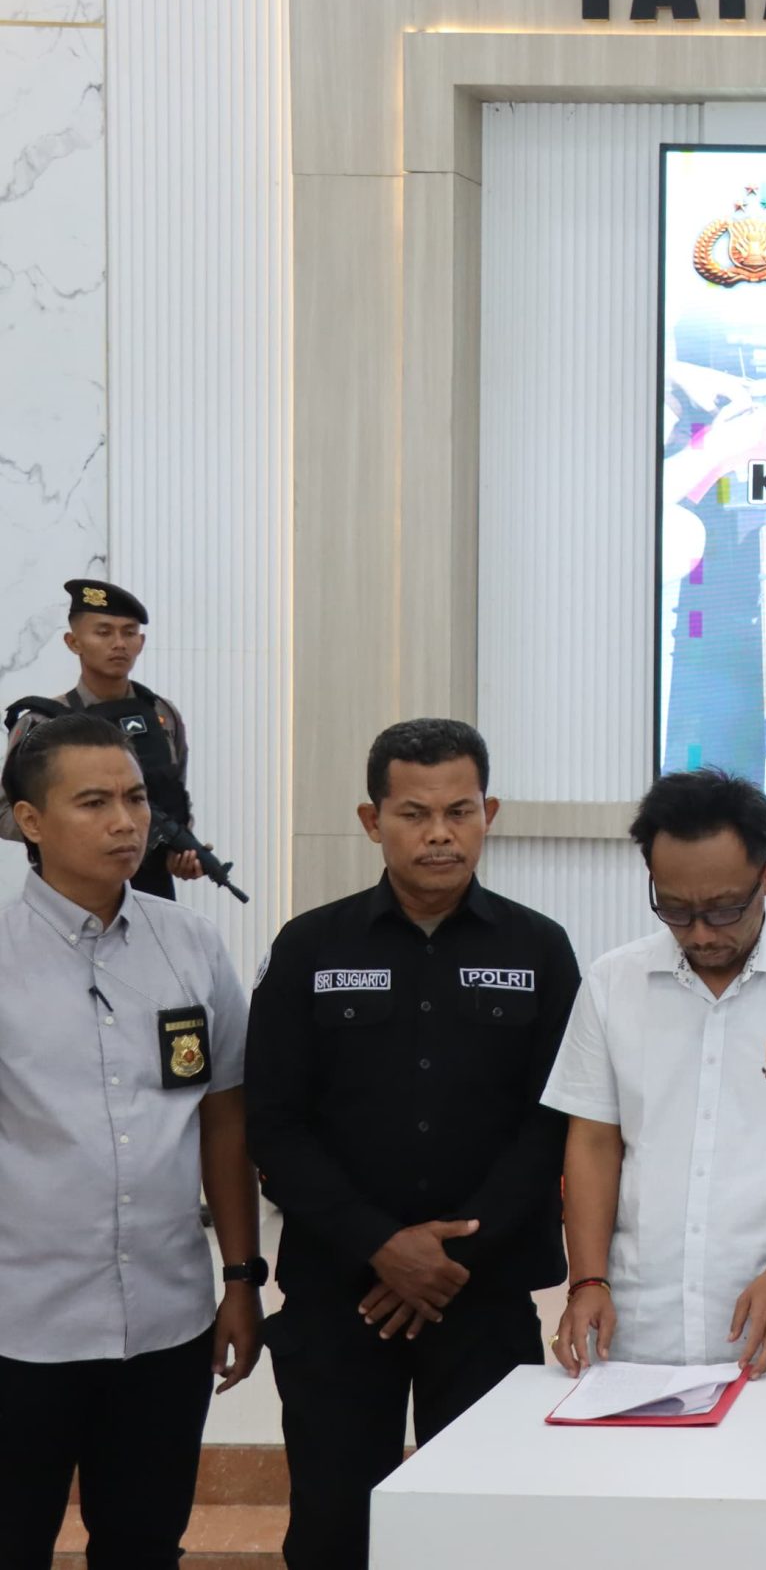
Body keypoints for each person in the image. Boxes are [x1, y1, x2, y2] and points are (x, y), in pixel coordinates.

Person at [245, 719, 580, 1568]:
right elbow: (274, 1122)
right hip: (339, 1295)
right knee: (332, 1528)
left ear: (488, 813)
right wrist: (383, 1244)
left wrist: (447, 1256)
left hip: (484, 1294)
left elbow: (556, 1121)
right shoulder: (309, 947)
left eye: (459, 811)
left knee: (479, 1534)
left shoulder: (539, 949)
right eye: (414, 813)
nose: (439, 833)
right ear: (372, 820)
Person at [0, 714, 262, 1567]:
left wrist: (240, 1277)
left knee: (145, 1546)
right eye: (94, 802)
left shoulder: (190, 942)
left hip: (165, 1322)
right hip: (21, 1328)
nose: (126, 821)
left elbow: (224, 1115)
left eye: (137, 797)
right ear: (30, 820)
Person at [546, 770, 766, 1378]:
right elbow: (594, 1142)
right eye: (676, 910)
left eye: (724, 909)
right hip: (634, 1332)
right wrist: (588, 1280)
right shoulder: (611, 983)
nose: (702, 933)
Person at [0, 580, 202, 898]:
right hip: (68, 892)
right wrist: (76, 832)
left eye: (129, 633)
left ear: (141, 642)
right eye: (104, 632)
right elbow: (5, 812)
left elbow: (174, 794)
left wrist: (178, 849)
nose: (119, 644)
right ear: (73, 642)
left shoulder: (163, 714)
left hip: (150, 893)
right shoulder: (42, 722)